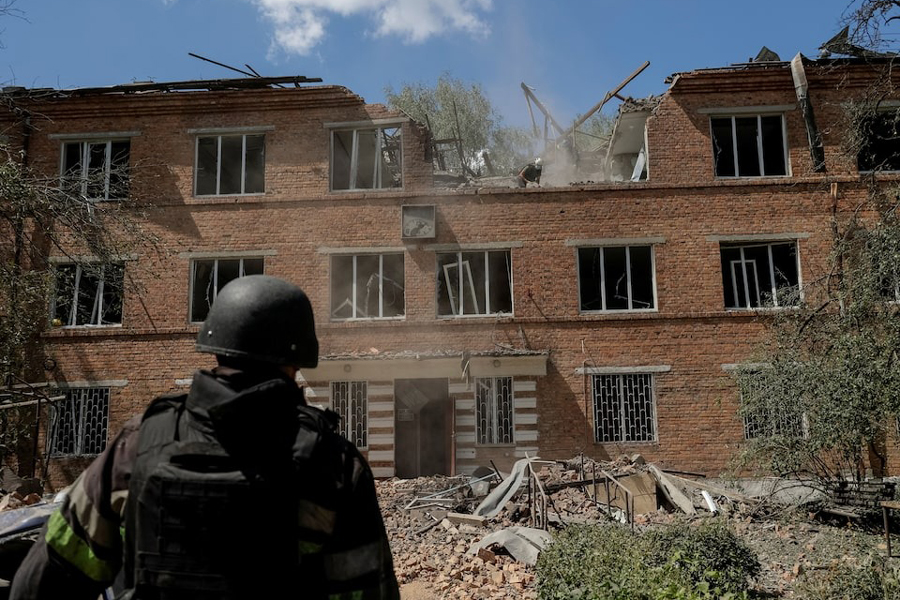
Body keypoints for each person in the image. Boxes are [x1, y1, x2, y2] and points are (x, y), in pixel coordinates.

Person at [11, 275, 400, 600]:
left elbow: (41, 580)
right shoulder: (333, 464)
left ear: (214, 346)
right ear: (296, 360)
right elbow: (368, 591)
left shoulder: (139, 444)